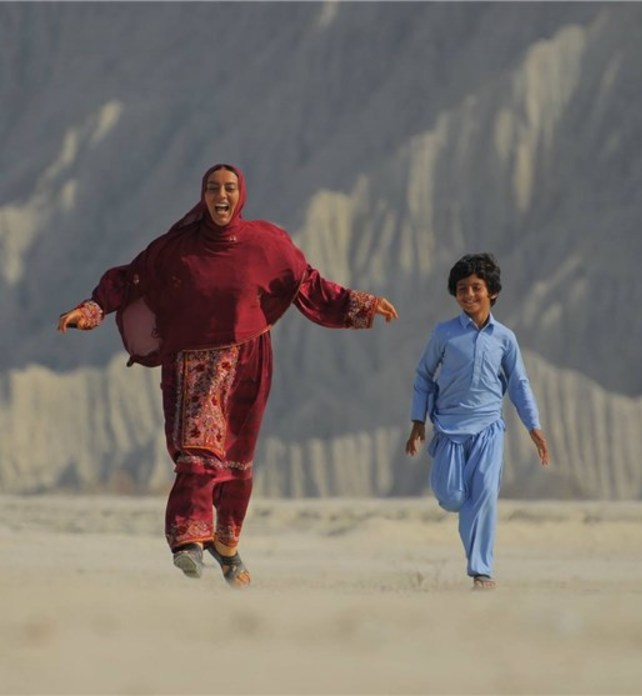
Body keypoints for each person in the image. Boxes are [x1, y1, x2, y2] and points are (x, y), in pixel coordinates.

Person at [58, 163, 398, 588]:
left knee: (236, 464)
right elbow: (129, 279)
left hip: (249, 363)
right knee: (198, 450)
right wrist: (90, 310)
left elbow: (309, 286)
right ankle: (188, 539)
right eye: (213, 188)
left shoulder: (267, 245)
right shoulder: (174, 250)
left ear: (242, 195)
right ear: (202, 196)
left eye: (230, 188)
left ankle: (227, 546)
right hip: (192, 365)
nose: (222, 195)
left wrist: (361, 305)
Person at [405, 253, 549, 590]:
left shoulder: (505, 338)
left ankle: (481, 571)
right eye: (461, 289)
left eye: (476, 288)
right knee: (453, 497)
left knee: (484, 495)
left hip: (488, 429)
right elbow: (424, 376)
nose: (469, 295)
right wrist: (417, 422)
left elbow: (519, 383)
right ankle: (470, 531)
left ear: (492, 292)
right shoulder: (444, 334)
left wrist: (534, 427)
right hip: (450, 430)